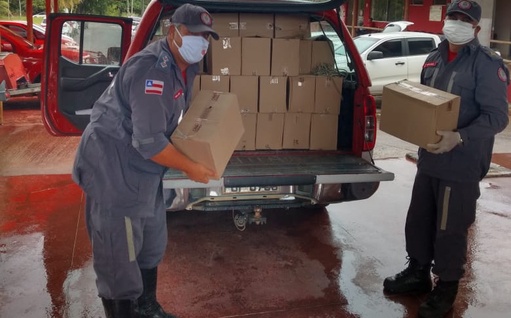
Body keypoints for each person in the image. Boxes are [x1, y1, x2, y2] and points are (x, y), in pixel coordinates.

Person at [72, 4, 219, 318]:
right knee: (119, 255)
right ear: (173, 32)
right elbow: (150, 141)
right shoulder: (152, 71)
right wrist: (191, 166)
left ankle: (147, 308)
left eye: (206, 37)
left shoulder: (185, 67)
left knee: (151, 241)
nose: (202, 43)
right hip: (114, 166)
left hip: (145, 168)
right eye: (194, 35)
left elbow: (171, 120)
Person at [382, 1, 509, 318]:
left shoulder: (486, 64)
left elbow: (497, 117)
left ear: (476, 28)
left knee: (450, 227)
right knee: (420, 219)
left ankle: (447, 286)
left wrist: (461, 135)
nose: (455, 23)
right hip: (430, 158)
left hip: (462, 163)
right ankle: (418, 273)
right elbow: (426, 104)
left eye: (464, 19)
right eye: (452, 16)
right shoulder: (433, 59)